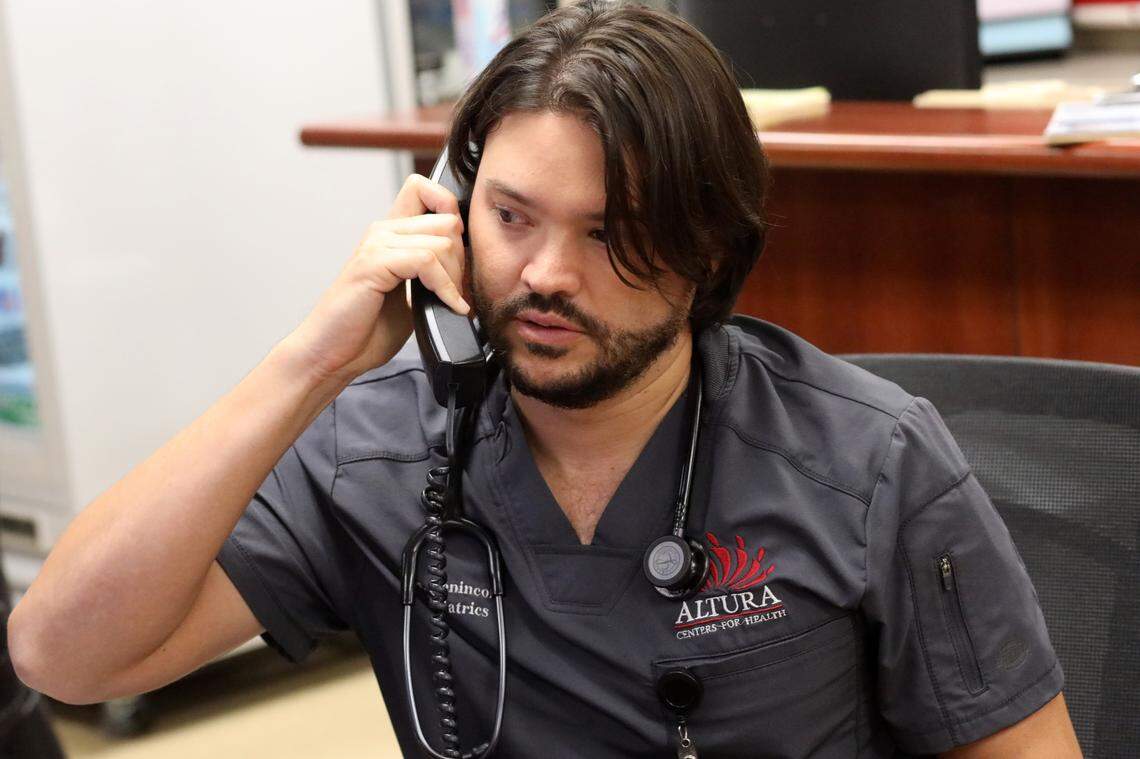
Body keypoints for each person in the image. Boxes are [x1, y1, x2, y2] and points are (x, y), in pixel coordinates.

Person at [8, 2, 1082, 756]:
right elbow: (63, 655)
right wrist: (314, 359)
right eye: (511, 217)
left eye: (611, 235)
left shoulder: (870, 461)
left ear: (710, 252)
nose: (547, 276)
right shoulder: (376, 448)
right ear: (448, 207)